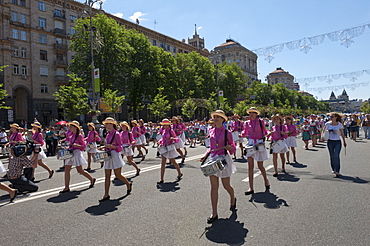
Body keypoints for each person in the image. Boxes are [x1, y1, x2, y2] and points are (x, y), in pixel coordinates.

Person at [200, 110, 236, 224]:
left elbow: (233, 147)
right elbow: (210, 147)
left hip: (223, 160)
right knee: (214, 187)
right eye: (214, 116)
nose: (215, 118)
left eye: (218, 117)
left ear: (223, 119)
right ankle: (214, 213)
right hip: (213, 159)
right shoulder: (210, 131)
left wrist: (230, 148)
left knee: (226, 185)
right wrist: (205, 155)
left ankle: (232, 198)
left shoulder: (227, 133)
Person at [99, 117, 132, 202]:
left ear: (112, 124)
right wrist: (104, 147)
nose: (106, 125)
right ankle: (106, 194)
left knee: (118, 175)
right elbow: (109, 144)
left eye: (108, 123)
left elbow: (120, 147)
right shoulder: (108, 134)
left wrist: (112, 147)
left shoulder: (117, 134)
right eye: (105, 123)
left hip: (115, 155)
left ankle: (128, 184)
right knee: (107, 176)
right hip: (108, 155)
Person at [60, 121, 96, 193]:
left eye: (71, 127)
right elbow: (71, 144)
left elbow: (84, 146)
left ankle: (91, 179)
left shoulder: (79, 136)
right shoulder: (72, 135)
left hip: (76, 153)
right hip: (70, 153)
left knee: (80, 170)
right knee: (67, 170)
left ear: (75, 127)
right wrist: (67, 147)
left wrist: (77, 146)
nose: (69, 128)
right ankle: (66, 187)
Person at [241, 107, 270, 195]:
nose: (251, 114)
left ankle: (266, 180)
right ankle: (251, 187)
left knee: (260, 166)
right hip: (250, 143)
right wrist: (240, 134)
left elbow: (265, 131)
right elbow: (245, 132)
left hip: (259, 143)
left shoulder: (261, 122)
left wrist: (268, 133)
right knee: (250, 167)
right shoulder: (246, 123)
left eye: (253, 112)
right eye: (250, 113)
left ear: (256, 114)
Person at [157, 119, 183, 184]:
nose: (165, 126)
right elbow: (163, 139)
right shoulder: (163, 131)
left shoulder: (171, 131)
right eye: (163, 125)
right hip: (164, 147)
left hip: (170, 147)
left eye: (166, 125)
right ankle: (161, 179)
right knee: (163, 163)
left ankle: (179, 173)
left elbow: (176, 139)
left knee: (173, 161)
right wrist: (159, 141)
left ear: (168, 124)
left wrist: (173, 138)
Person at [321, 113, 347, 177]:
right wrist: (322, 137)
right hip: (330, 142)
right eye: (330, 116)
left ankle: (337, 170)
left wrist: (344, 141)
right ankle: (333, 169)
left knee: (336, 156)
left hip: (337, 141)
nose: (331, 118)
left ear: (336, 117)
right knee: (332, 156)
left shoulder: (339, 124)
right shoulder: (327, 124)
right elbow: (323, 131)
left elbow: (342, 133)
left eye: (332, 116)